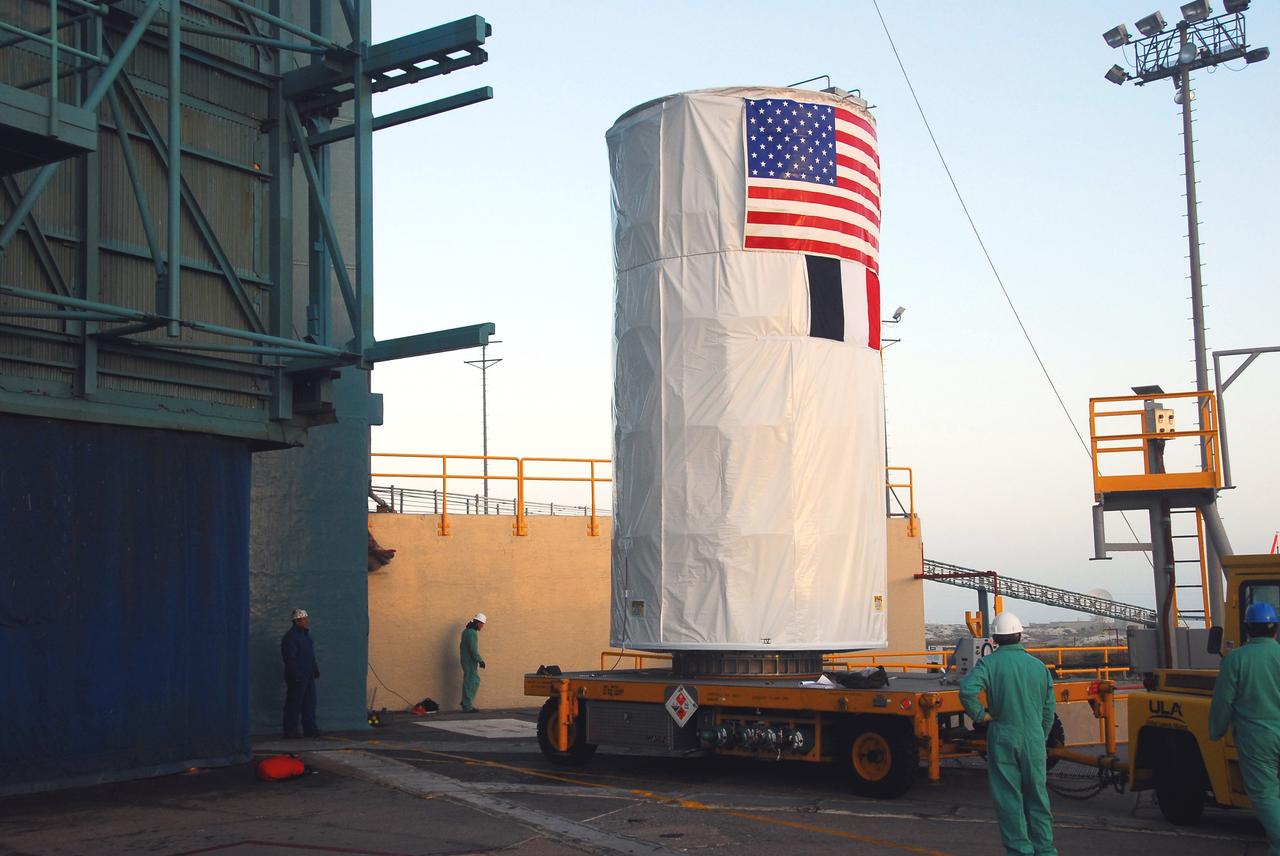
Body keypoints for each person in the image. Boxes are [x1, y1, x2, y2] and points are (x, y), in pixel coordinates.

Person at [960, 612, 1057, 856]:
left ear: (994, 639)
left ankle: (1019, 850)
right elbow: (1048, 710)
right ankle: (1045, 849)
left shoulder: (988, 664)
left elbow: (967, 690)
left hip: (1003, 736)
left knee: (1008, 797)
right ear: (1020, 635)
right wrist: (1040, 735)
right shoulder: (1039, 667)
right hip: (1033, 738)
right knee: (1038, 796)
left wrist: (981, 715)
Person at [1209, 601, 1280, 853]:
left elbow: (1223, 701)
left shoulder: (1236, 660)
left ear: (1248, 628)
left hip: (1257, 738)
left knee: (1265, 793)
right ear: (1275, 628)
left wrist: (1216, 730)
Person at [281, 607, 320, 738]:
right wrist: (295, 674)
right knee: (294, 704)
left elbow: (310, 655)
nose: (306, 621)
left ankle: (310, 729)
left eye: (306, 619)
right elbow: (289, 658)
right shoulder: (290, 637)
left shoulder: (307, 636)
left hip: (308, 675)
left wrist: (315, 668)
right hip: (297, 676)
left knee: (310, 703)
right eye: (304, 619)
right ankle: (290, 731)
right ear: (297, 621)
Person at [459, 612, 487, 712]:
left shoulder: (466, 631)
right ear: (478, 623)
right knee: (472, 681)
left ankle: (466, 702)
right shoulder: (472, 633)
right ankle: (467, 704)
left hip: (466, 660)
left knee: (470, 681)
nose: (482, 626)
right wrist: (480, 660)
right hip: (470, 661)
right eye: (482, 624)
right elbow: (473, 649)